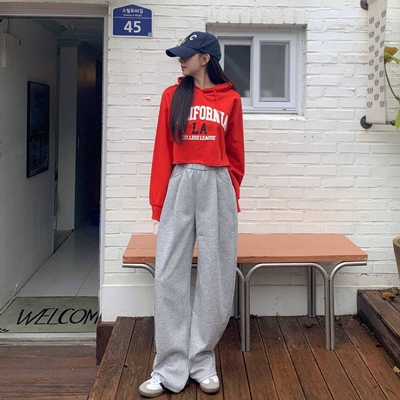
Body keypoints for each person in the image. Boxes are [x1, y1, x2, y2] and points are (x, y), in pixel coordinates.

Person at [139, 31, 245, 398]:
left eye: (187, 55)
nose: (181, 60)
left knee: (216, 273)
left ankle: (201, 360)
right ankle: (169, 366)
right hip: (180, 181)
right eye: (180, 55)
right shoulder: (173, 96)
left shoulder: (230, 99)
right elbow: (162, 151)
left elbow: (236, 154)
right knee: (169, 272)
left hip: (217, 183)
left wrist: (229, 192)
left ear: (206, 58)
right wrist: (159, 202)